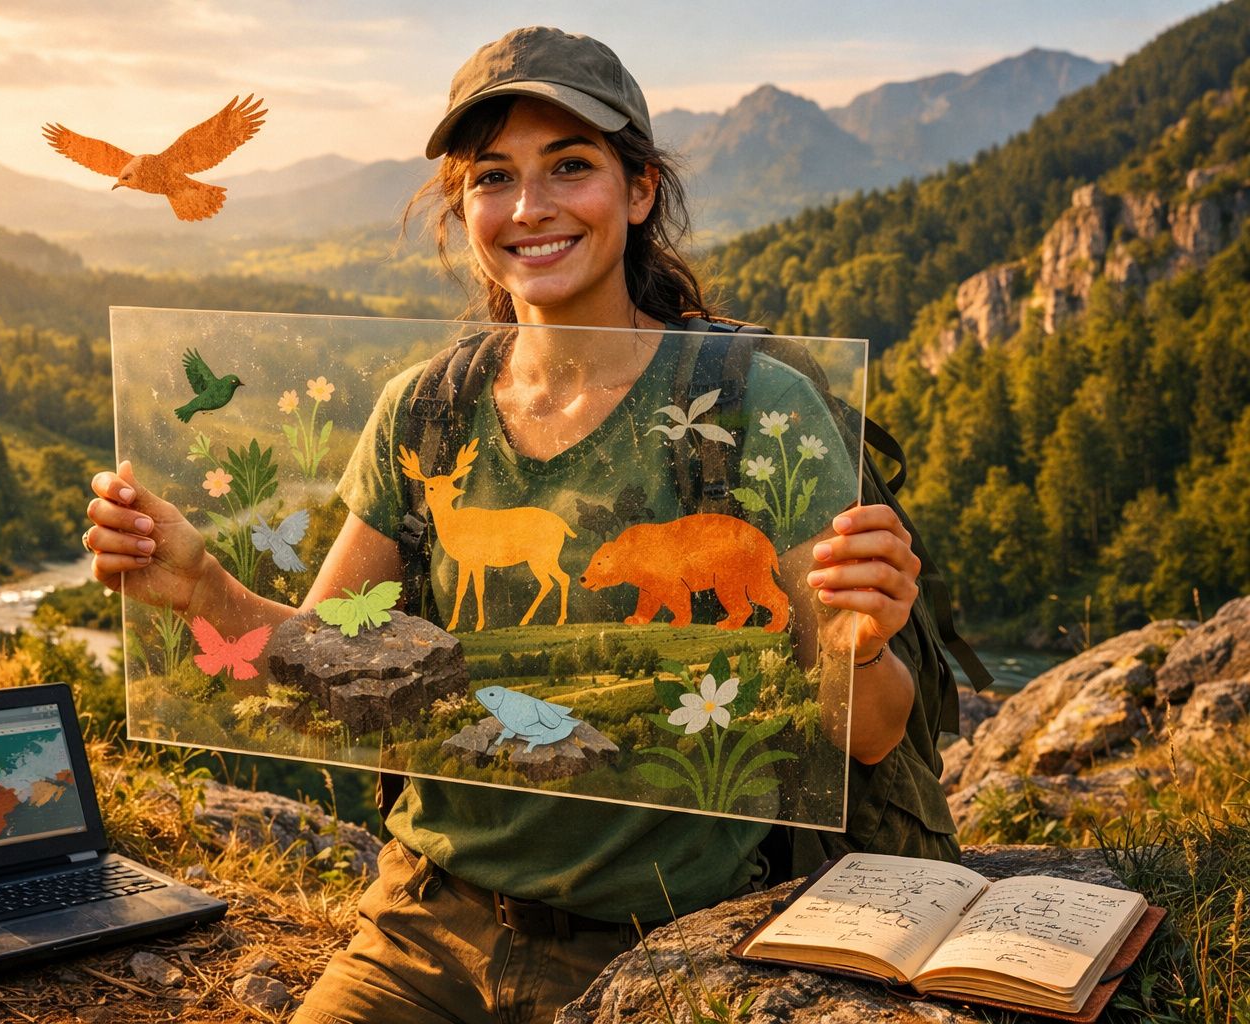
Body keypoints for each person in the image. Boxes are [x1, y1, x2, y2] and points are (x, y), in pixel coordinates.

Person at [85, 26, 929, 1024]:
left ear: (640, 189)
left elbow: (867, 733)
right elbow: (322, 676)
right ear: (463, 206)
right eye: (494, 177)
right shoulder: (426, 411)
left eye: (569, 166)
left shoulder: (753, 409)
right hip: (420, 931)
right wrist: (201, 588)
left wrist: (858, 644)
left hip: (665, 949)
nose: (530, 207)